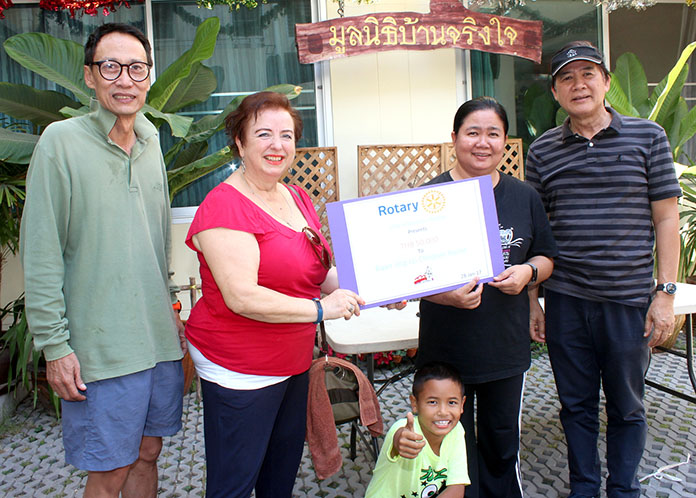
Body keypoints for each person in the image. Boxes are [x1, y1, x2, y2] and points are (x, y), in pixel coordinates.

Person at [20, 23, 186, 498]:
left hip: (156, 340)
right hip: (100, 349)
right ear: (90, 77)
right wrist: (55, 345)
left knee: (149, 451)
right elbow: (42, 250)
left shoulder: (153, 143)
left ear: (149, 76)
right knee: (109, 469)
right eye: (110, 67)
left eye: (136, 68)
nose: (124, 79)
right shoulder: (61, 142)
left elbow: (155, 241)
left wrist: (171, 310)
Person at [184, 91, 364, 498]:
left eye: (286, 135)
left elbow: (316, 271)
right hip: (241, 367)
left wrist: (371, 289)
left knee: (278, 476)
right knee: (234, 482)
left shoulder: (295, 196)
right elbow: (242, 297)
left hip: (292, 359)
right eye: (263, 133)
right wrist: (321, 310)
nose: (277, 145)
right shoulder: (223, 207)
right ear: (240, 142)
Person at [525, 41, 681, 498]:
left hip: (628, 300)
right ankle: (584, 488)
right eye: (567, 78)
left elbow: (667, 217)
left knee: (628, 406)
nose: (579, 85)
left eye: (588, 74)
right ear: (555, 92)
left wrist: (665, 293)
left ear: (606, 82)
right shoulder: (543, 151)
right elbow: (537, 231)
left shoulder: (647, 137)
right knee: (575, 406)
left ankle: (624, 488)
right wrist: (535, 301)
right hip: (567, 300)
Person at [416, 97, 557, 498]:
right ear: (454, 139)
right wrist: (445, 296)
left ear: (505, 142)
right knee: (447, 450)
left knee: (500, 446)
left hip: (503, 349)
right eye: (472, 132)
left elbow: (547, 256)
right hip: (446, 352)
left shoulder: (523, 196)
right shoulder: (429, 199)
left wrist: (529, 273)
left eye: (493, 133)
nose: (483, 142)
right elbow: (410, 278)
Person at [366, 362, 470, 498]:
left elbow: (456, 488)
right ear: (414, 403)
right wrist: (400, 442)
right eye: (433, 402)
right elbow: (399, 438)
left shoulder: (456, 431)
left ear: (462, 404)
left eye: (452, 402)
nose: (443, 412)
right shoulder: (403, 429)